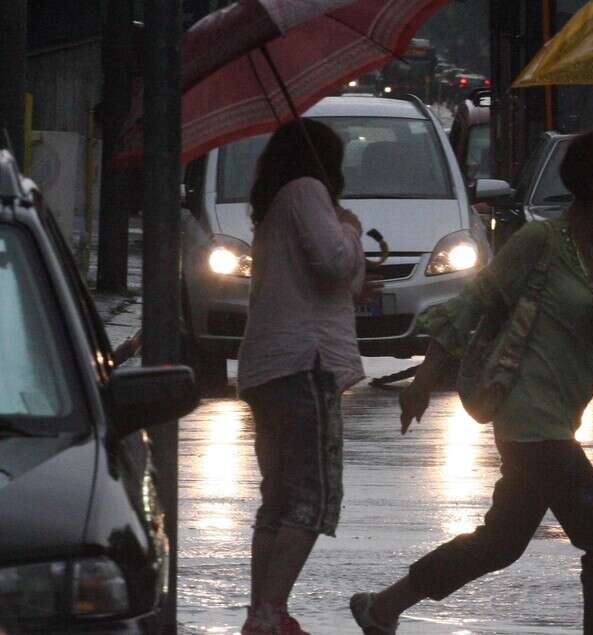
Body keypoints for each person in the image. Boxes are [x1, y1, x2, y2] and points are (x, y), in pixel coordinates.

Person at [350, 129, 593, 634]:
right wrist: (425, 379)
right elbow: (473, 302)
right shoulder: (539, 243)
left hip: (562, 418)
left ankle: (384, 606)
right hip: (527, 420)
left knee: (501, 543)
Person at [237, 118, 377, 635]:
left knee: (279, 496)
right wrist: (350, 226)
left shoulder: (276, 202)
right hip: (305, 364)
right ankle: (270, 611)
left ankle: (263, 611)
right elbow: (335, 263)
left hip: (269, 367)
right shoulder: (307, 189)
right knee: (313, 497)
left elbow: (326, 276)